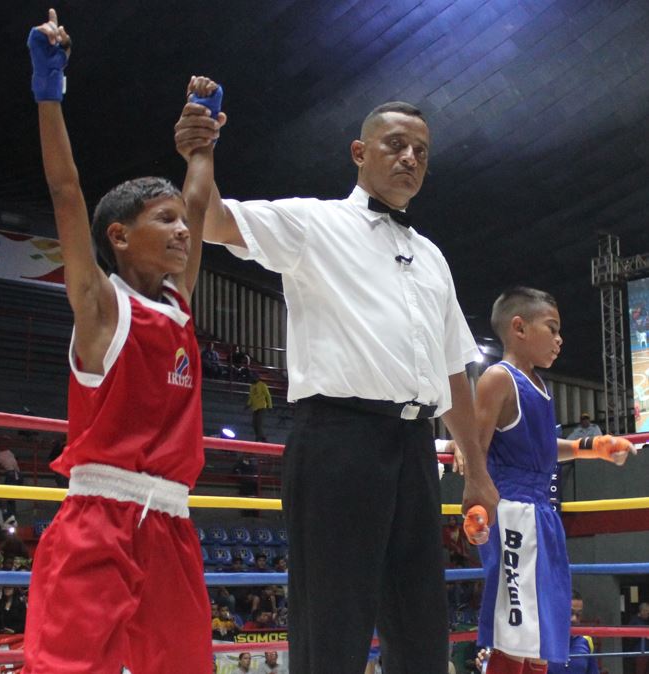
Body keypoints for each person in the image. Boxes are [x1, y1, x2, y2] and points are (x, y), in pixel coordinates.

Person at [175, 84, 498, 673]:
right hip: (337, 438)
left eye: (421, 152)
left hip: (416, 446)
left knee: (423, 623)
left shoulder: (432, 256)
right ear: (359, 152)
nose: (409, 159)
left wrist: (477, 472)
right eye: (396, 145)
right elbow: (215, 220)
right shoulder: (313, 224)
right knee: (332, 622)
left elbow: (454, 371)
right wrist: (202, 153)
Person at [22, 11, 223, 673]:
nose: (180, 232)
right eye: (160, 221)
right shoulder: (101, 306)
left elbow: (196, 207)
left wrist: (202, 140)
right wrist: (49, 92)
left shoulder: (177, 303)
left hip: (170, 522)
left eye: (178, 223)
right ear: (118, 236)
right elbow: (65, 191)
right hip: (97, 518)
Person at [454, 287, 634, 674]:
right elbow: (475, 450)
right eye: (551, 328)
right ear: (519, 327)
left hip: (541, 513)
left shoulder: (538, 386)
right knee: (515, 635)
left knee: (539, 638)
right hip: (514, 513)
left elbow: (542, 447)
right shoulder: (498, 378)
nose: (559, 339)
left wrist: (593, 446)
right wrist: (476, 511)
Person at [246, 373, 272, 442]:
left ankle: (262, 439)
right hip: (255, 408)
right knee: (254, 424)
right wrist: (248, 404)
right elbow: (251, 397)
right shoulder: (251, 386)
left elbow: (268, 395)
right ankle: (259, 437)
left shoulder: (262, 385)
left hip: (262, 407)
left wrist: (270, 406)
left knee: (259, 424)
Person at [626, 602, 649, 674]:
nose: (647, 613)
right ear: (641, 611)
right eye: (646, 611)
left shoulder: (647, 620)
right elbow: (628, 635)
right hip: (639, 652)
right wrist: (642, 635)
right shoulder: (634, 621)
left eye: (648, 611)